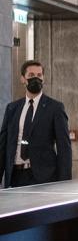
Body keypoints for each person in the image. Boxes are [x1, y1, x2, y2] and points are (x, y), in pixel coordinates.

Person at [0, 59, 71, 188]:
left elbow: (64, 147)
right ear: (23, 79)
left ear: (43, 78)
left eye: (39, 75)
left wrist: (64, 183)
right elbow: (3, 145)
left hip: (44, 177)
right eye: (31, 75)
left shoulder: (55, 108)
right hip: (16, 176)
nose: (36, 79)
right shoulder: (12, 108)